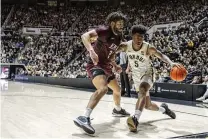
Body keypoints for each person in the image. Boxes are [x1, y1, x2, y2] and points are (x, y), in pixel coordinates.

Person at [117, 25, 182, 132]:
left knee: (142, 90)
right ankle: (164, 109)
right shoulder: (125, 46)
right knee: (148, 105)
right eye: (137, 36)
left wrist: (171, 63)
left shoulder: (148, 47)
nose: (140, 39)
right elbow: (112, 52)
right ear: (132, 36)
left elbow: (161, 55)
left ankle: (135, 119)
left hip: (148, 73)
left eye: (142, 37)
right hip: (136, 76)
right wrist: (111, 62)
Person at [73, 12, 130, 134]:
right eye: (119, 23)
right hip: (95, 65)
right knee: (103, 89)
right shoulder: (104, 30)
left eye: (122, 23)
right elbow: (84, 36)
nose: (121, 25)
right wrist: (91, 51)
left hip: (107, 67)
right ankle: (84, 117)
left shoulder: (119, 37)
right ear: (112, 23)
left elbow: (111, 53)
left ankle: (117, 110)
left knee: (117, 90)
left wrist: (115, 65)